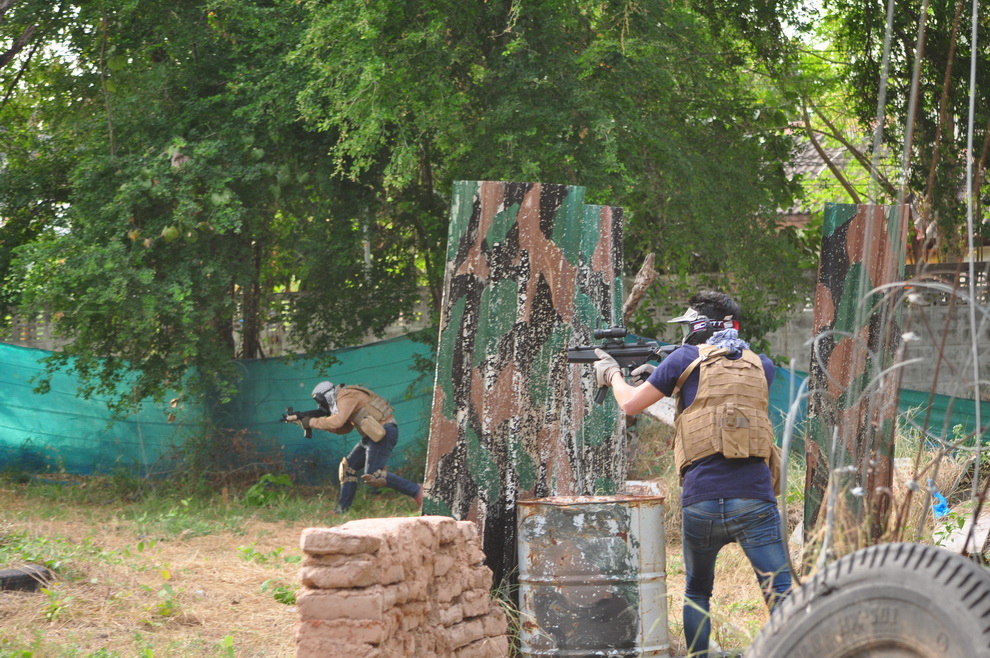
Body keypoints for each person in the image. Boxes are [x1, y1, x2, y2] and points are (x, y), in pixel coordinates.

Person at [593, 291, 792, 657]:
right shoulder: (762, 365)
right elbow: (720, 399)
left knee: (698, 591)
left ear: (698, 327)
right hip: (754, 498)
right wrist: (669, 381)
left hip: (701, 501)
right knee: (780, 591)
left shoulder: (683, 359)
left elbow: (630, 404)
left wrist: (612, 374)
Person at [285, 381, 423, 514]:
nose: (321, 404)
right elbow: (343, 428)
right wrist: (310, 422)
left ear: (327, 395)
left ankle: (417, 491)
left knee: (374, 475)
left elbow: (337, 422)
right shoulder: (342, 399)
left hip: (383, 432)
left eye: (320, 400)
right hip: (371, 436)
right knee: (347, 469)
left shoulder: (346, 395)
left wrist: (311, 422)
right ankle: (341, 511)